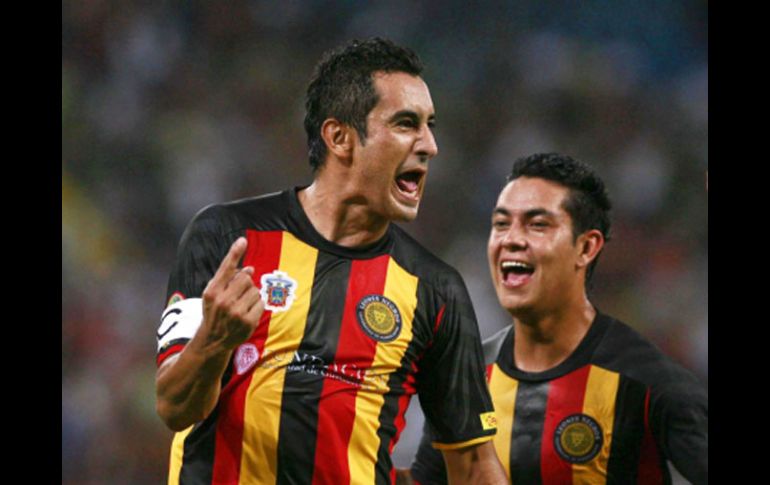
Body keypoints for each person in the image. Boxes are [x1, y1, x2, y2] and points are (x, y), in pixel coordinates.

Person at [154, 37, 507, 485]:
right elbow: (174, 407)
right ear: (339, 137)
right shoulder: (226, 237)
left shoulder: (435, 290)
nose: (430, 145)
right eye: (406, 123)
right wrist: (214, 341)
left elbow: (473, 464)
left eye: (429, 125)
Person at [407, 153, 708, 484]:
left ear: (586, 247)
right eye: (501, 224)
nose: (511, 240)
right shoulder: (466, 380)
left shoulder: (647, 383)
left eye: (538, 225)